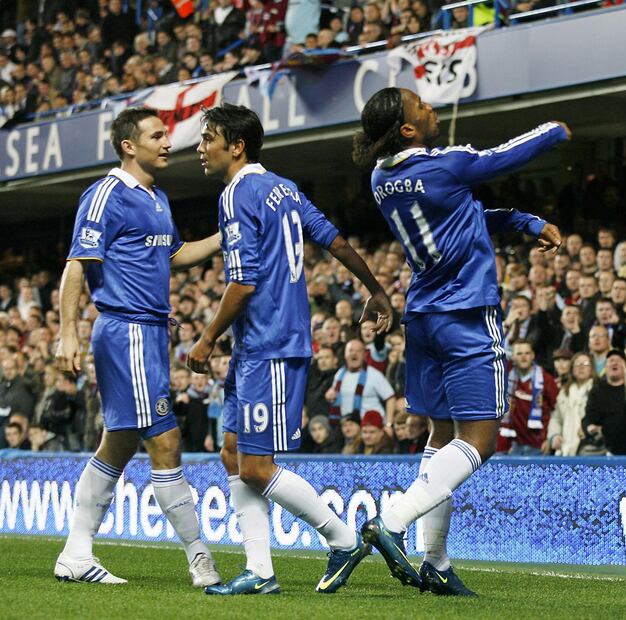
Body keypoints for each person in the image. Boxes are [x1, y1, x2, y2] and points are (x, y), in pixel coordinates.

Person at [352, 87, 567, 595]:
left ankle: (436, 562)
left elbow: (463, 219)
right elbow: (503, 157)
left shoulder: (383, 177)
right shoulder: (445, 164)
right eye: (419, 106)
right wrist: (555, 131)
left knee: (440, 438)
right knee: (480, 441)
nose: (430, 109)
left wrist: (525, 222)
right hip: (467, 315)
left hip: (423, 315)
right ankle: (394, 519)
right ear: (406, 129)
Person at [188, 104, 393, 595]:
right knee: (233, 451)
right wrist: (376, 289)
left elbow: (242, 284)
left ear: (235, 146)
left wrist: (207, 337)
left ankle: (342, 539)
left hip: (271, 344)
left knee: (257, 466)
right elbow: (336, 243)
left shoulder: (236, 195)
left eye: (207, 138)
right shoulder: (284, 187)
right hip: (262, 344)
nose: (200, 147)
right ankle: (259, 571)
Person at [53, 108, 223, 587]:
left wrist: (225, 238)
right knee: (165, 440)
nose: (168, 141)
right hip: (125, 329)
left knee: (120, 442)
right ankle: (200, 559)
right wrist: (67, 333)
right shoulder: (105, 194)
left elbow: (176, 255)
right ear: (129, 145)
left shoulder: (157, 198)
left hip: (149, 333)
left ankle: (75, 553)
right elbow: (76, 265)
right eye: (158, 134)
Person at [497, 340, 557, 456]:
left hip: (537, 444)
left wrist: (549, 438)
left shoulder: (545, 379)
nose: (524, 357)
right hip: (510, 444)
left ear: (533, 355)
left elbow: (556, 410)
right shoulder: (506, 377)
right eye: (519, 354)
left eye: (527, 353)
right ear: (513, 356)